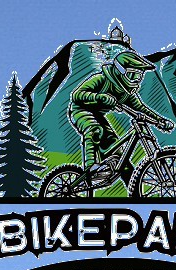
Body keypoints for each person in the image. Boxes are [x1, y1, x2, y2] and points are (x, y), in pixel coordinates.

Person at [64, 22, 167, 187]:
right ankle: (90, 168)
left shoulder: (126, 92)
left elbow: (141, 107)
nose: (136, 81)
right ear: (120, 71)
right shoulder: (101, 79)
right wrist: (101, 97)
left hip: (98, 115)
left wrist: (160, 120)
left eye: (139, 77)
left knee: (119, 155)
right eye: (132, 75)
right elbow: (77, 95)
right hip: (80, 110)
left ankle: (134, 189)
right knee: (94, 129)